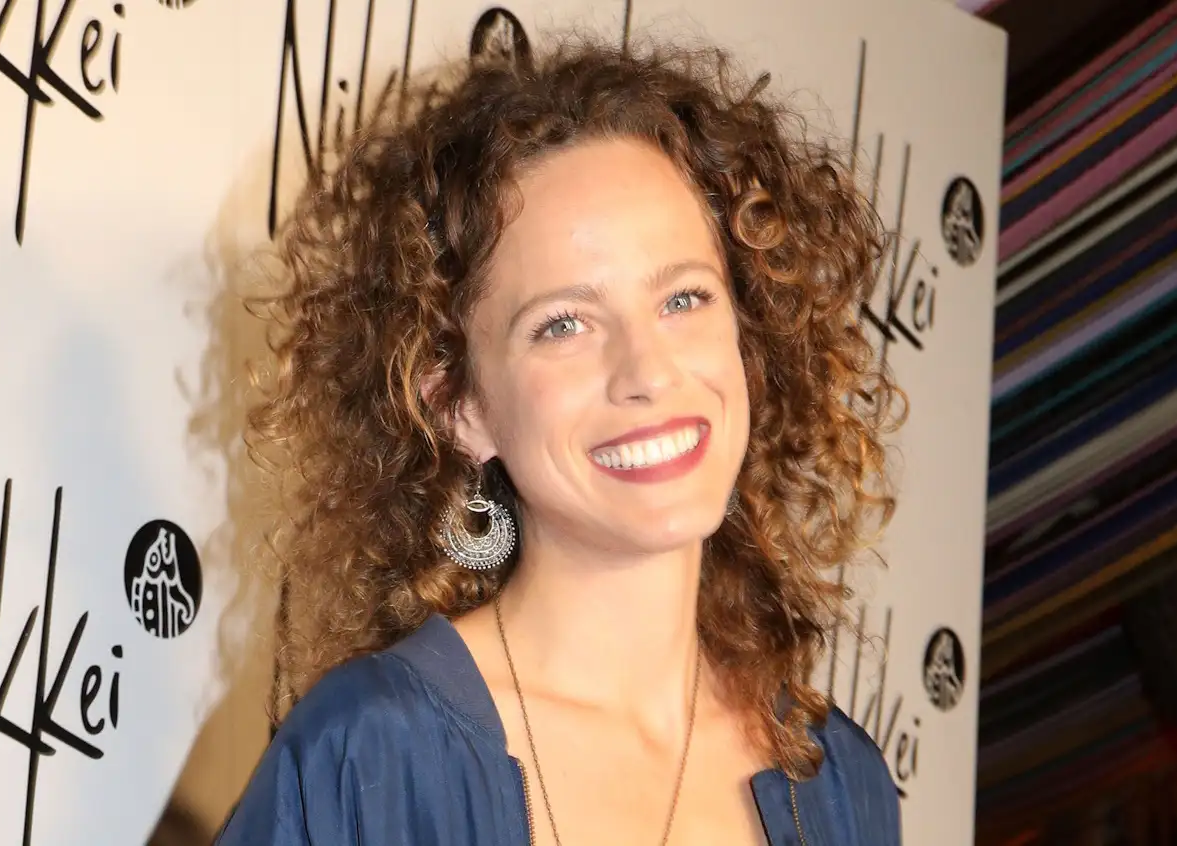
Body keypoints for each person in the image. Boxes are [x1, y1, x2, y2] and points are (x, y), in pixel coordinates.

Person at [219, 34, 905, 846]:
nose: (647, 371)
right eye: (564, 324)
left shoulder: (839, 780)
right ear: (460, 406)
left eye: (684, 299)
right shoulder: (369, 755)